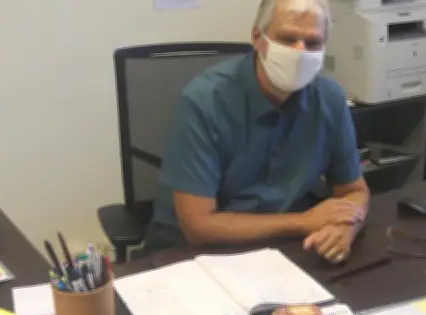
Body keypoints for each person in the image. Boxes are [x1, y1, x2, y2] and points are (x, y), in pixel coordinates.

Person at [146, 0, 370, 264]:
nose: (300, 52)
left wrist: (347, 227)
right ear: (257, 37)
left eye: (312, 43)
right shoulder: (204, 102)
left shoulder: (329, 99)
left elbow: (354, 190)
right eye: (287, 39)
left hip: (286, 248)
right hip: (197, 254)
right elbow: (199, 227)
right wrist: (304, 221)